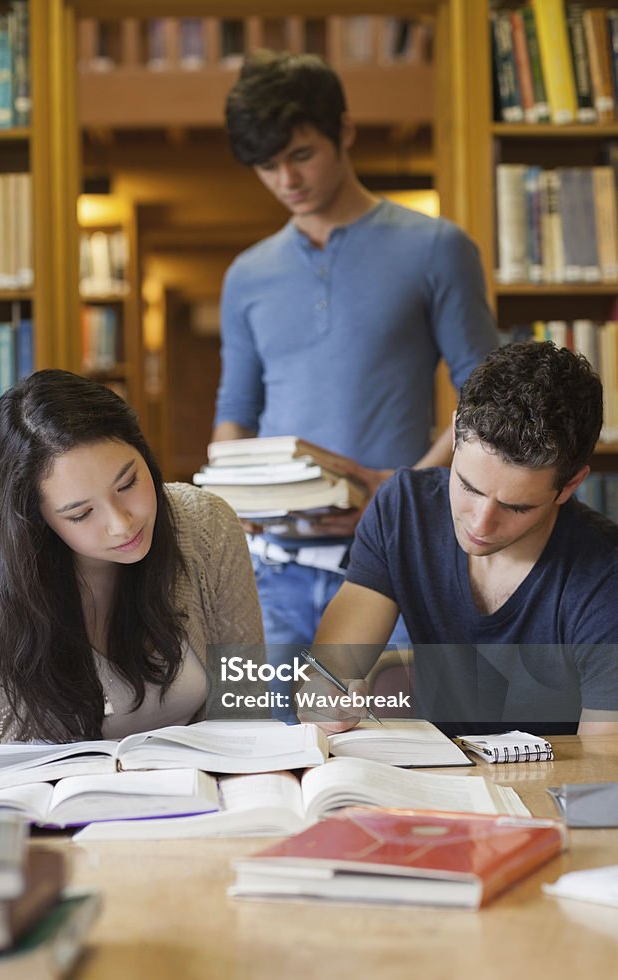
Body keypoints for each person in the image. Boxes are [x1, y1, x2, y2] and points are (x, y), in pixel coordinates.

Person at [213, 49, 498, 646]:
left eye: (300, 155)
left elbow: (487, 396)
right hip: (272, 569)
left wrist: (396, 496)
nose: (286, 181)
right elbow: (235, 410)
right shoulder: (247, 273)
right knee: (261, 735)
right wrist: (228, 500)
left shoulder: (437, 248)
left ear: (344, 130)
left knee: (397, 734)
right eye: (267, 166)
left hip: (396, 560)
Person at [0, 370, 263, 791]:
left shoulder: (206, 526)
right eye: (80, 513)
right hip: (45, 831)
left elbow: (245, 703)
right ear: (35, 520)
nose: (121, 524)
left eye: (128, 483)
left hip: (197, 807)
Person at [307, 342, 618, 736]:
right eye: (468, 487)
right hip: (435, 783)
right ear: (454, 433)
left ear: (570, 485)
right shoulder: (404, 510)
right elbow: (323, 679)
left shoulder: (606, 577)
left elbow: (601, 773)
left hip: (547, 792)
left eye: (516, 507)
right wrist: (325, 703)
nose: (481, 525)